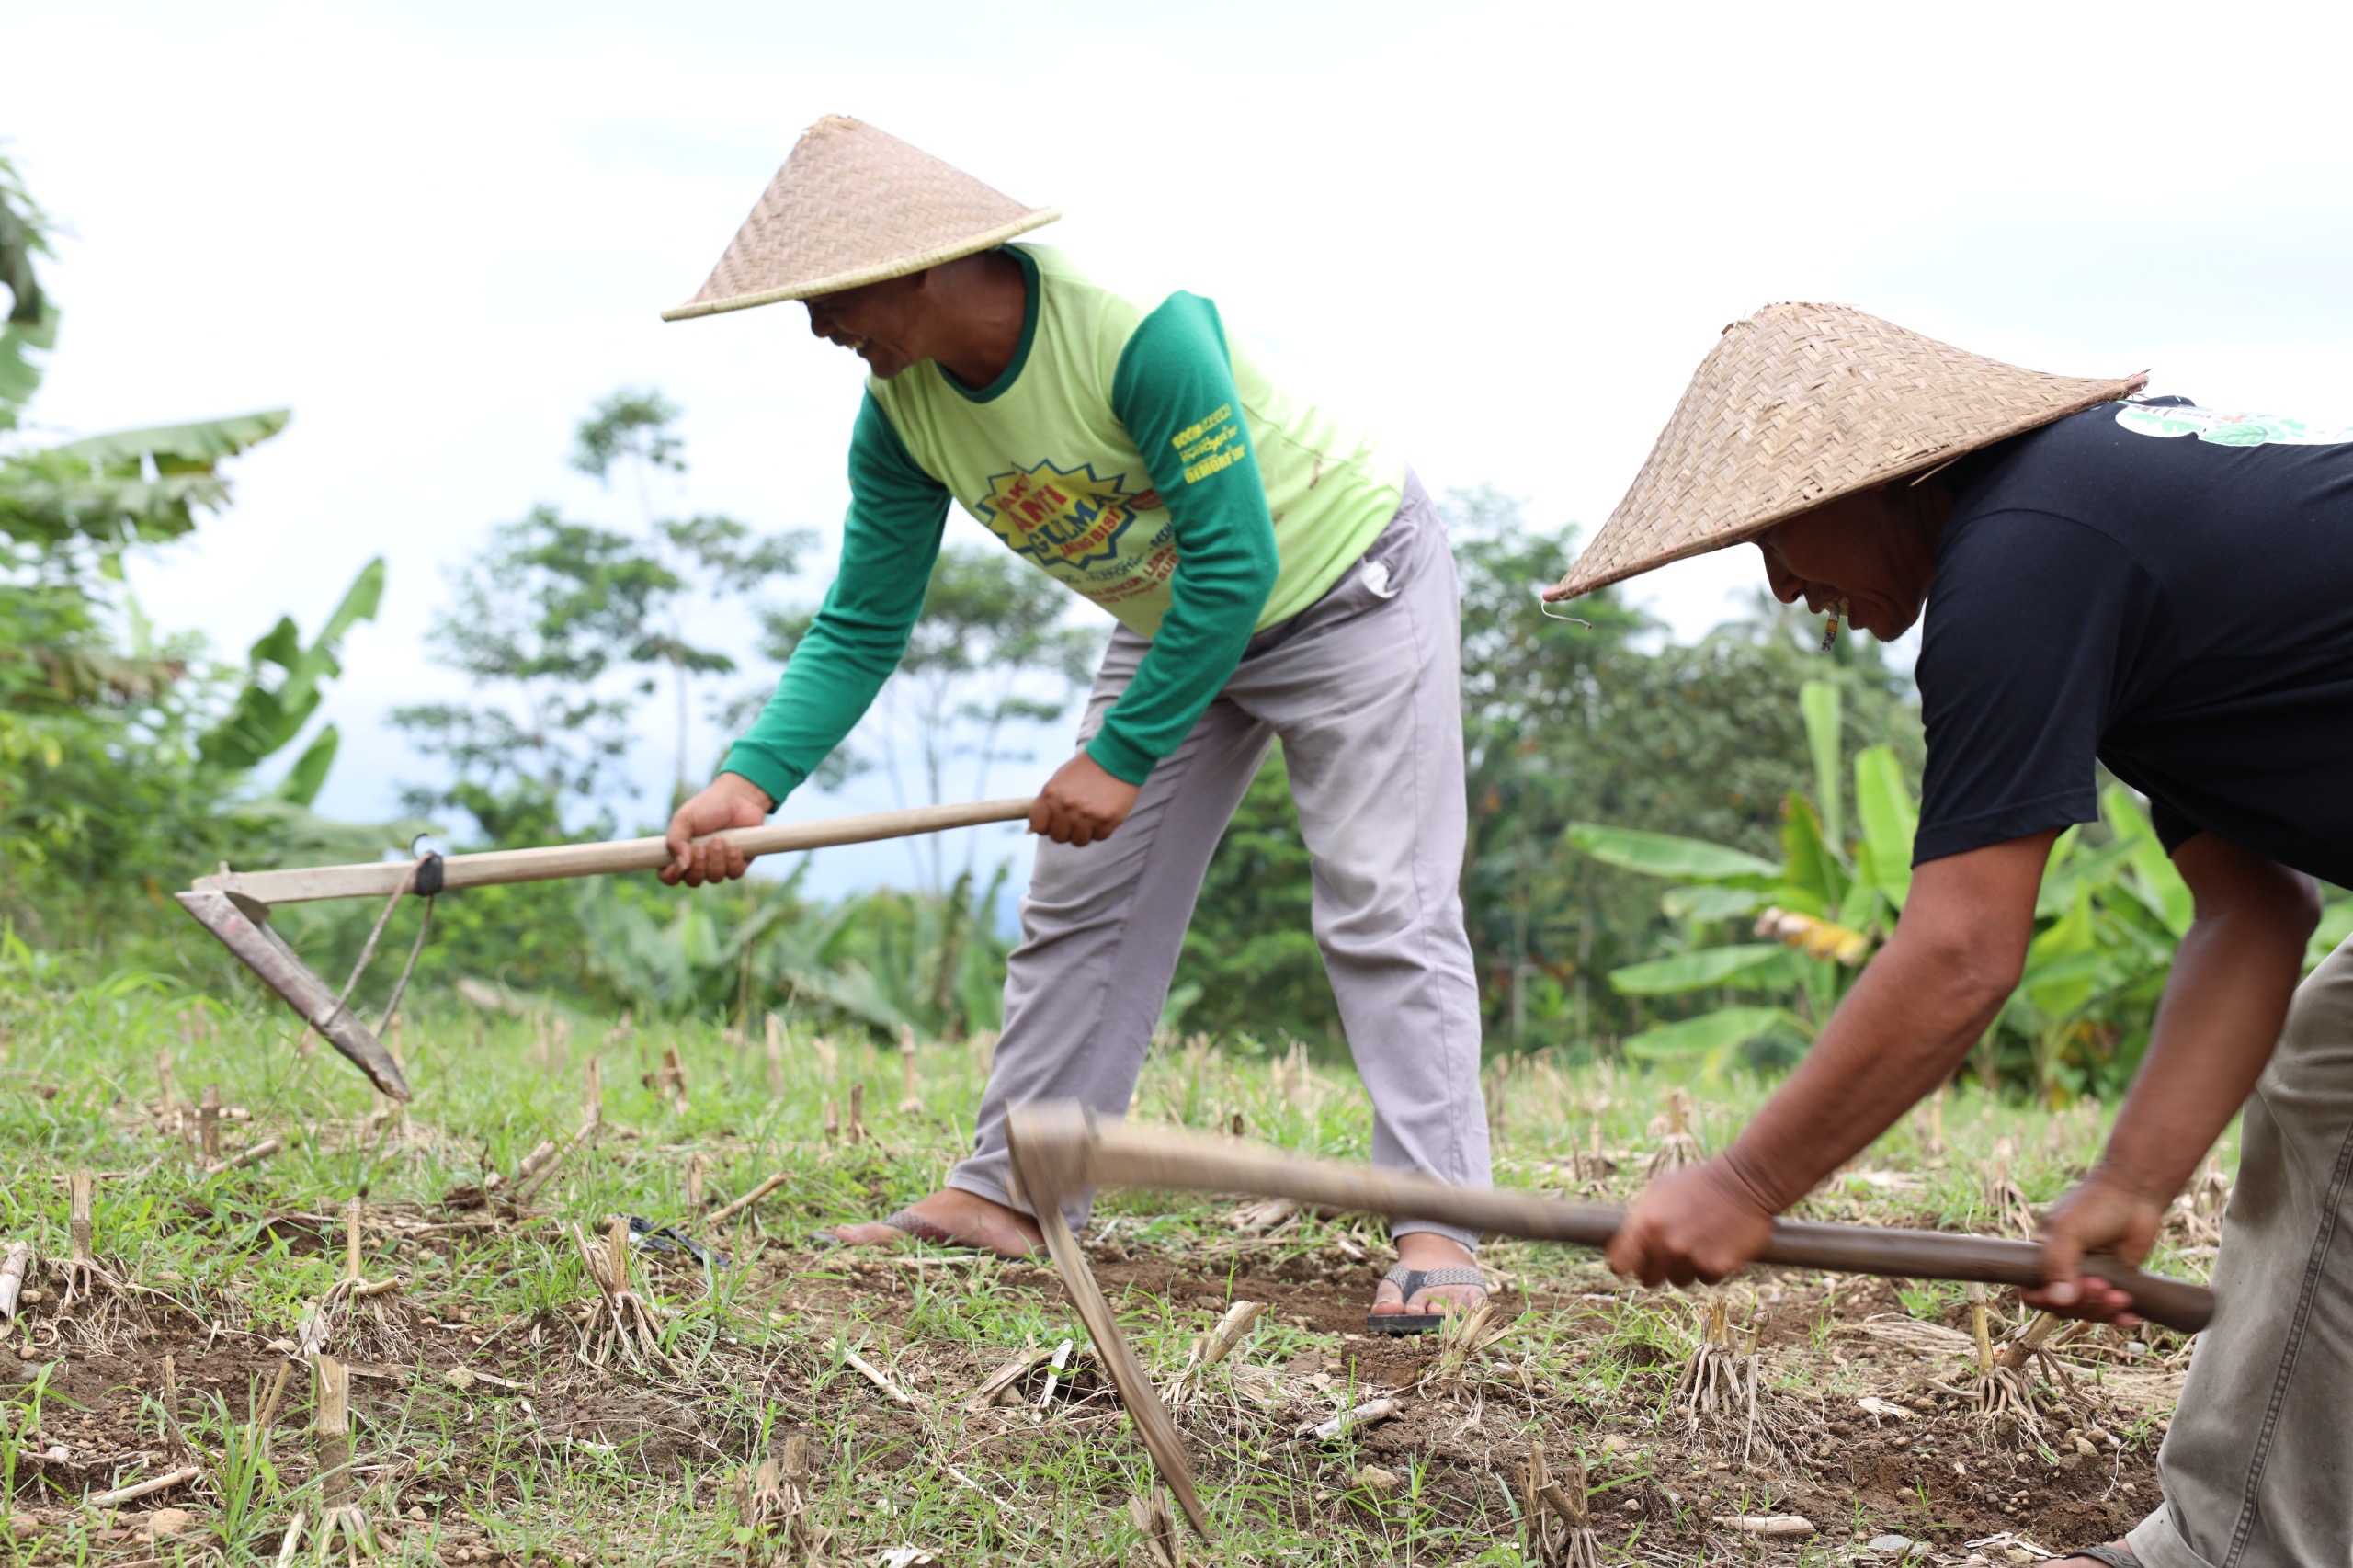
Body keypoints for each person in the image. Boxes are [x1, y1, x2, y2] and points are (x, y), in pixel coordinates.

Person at [1543, 302, 2353, 1568]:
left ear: (1892, 476)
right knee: (2329, 1079)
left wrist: (1748, 1182)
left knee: (2337, 1100)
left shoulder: (2025, 556)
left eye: (1777, 529)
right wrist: (2133, 1184)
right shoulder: (2103, 515)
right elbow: (2258, 908)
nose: (1782, 584)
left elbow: (1965, 949)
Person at [655, 115, 1493, 1331]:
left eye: (832, 299)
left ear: (927, 264)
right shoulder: (901, 413)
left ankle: (1443, 1229)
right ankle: (1013, 1194)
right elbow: (863, 619)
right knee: (1080, 899)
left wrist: (1120, 753)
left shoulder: (1141, 334)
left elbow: (1235, 556)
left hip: (1346, 584)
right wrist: (752, 780)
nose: (822, 329)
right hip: (1180, 618)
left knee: (1382, 902)